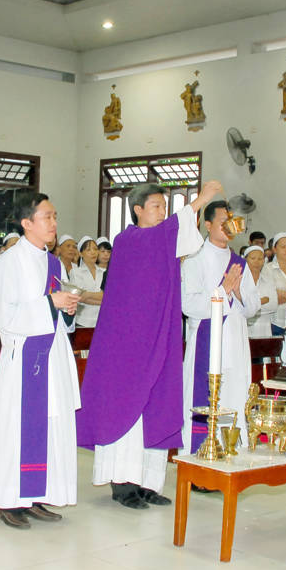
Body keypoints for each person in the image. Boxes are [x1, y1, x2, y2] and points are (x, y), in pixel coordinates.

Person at [78, 179, 223, 509]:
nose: (162, 212)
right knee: (127, 406)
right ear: (138, 210)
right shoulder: (129, 239)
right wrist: (201, 199)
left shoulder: (161, 240)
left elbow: (183, 239)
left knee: (156, 405)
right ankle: (122, 484)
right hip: (128, 342)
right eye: (156, 206)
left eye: (164, 207)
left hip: (158, 335)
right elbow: (173, 230)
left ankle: (147, 482)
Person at [0, 192, 79, 529]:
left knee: (51, 425)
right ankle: (11, 500)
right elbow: (2, 315)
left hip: (53, 354)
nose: (54, 223)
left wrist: (67, 311)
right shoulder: (8, 262)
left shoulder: (54, 263)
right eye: (46, 217)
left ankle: (37, 495)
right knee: (17, 427)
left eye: (55, 216)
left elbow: (59, 317)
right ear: (27, 223)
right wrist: (50, 303)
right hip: (23, 357)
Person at [181, 202, 260, 450]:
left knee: (235, 396)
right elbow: (189, 305)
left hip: (236, 344)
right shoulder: (195, 260)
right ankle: (201, 451)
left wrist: (238, 292)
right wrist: (223, 291)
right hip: (207, 342)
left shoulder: (239, 263)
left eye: (231, 222)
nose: (229, 227)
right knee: (204, 398)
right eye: (223, 222)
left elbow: (253, 307)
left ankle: (233, 450)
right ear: (208, 225)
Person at [69, 236, 104, 328]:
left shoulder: (104, 272)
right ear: (81, 253)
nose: (93, 252)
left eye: (95, 249)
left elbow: (110, 296)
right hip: (82, 322)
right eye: (88, 250)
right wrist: (104, 299)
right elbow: (79, 297)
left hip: (102, 321)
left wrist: (86, 294)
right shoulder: (75, 272)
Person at [242, 245, 275, 338]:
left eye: (260, 259)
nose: (256, 262)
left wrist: (251, 305)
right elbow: (240, 308)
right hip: (244, 330)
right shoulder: (240, 281)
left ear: (264, 261)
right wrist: (262, 301)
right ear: (245, 260)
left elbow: (273, 305)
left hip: (264, 330)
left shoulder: (269, 280)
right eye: (253, 258)